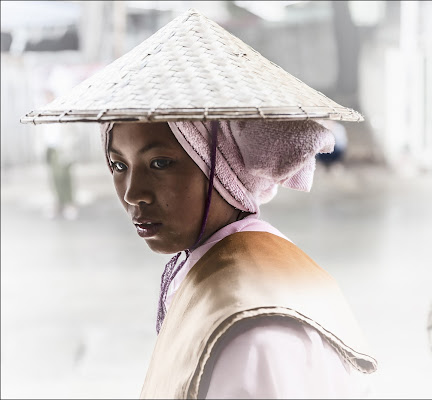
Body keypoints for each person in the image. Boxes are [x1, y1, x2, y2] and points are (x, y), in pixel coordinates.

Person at [22, 9, 377, 399]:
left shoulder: (253, 330)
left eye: (160, 163)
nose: (132, 192)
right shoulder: (223, 262)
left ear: (223, 166)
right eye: (118, 165)